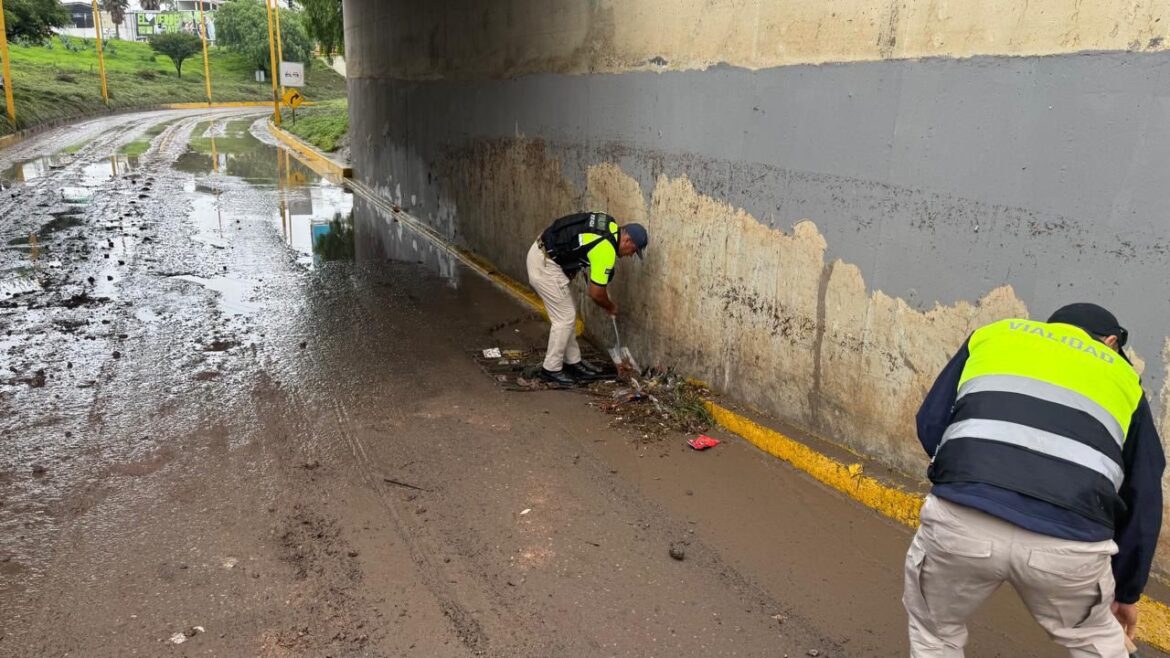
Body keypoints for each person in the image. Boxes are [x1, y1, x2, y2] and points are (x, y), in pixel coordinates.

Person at [905, 303, 1164, 657]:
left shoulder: (995, 336)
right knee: (1097, 644)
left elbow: (930, 425)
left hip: (963, 518)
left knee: (935, 634)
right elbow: (1144, 495)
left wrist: (969, 473)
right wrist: (1125, 592)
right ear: (1111, 342)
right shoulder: (1121, 375)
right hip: (1070, 540)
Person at [526, 211, 648, 385]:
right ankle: (551, 369)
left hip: (543, 252)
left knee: (567, 314)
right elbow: (596, 293)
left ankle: (573, 362)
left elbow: (580, 238)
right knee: (565, 318)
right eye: (633, 251)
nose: (629, 256)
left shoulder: (608, 223)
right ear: (627, 241)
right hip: (544, 266)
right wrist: (609, 306)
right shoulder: (606, 250)